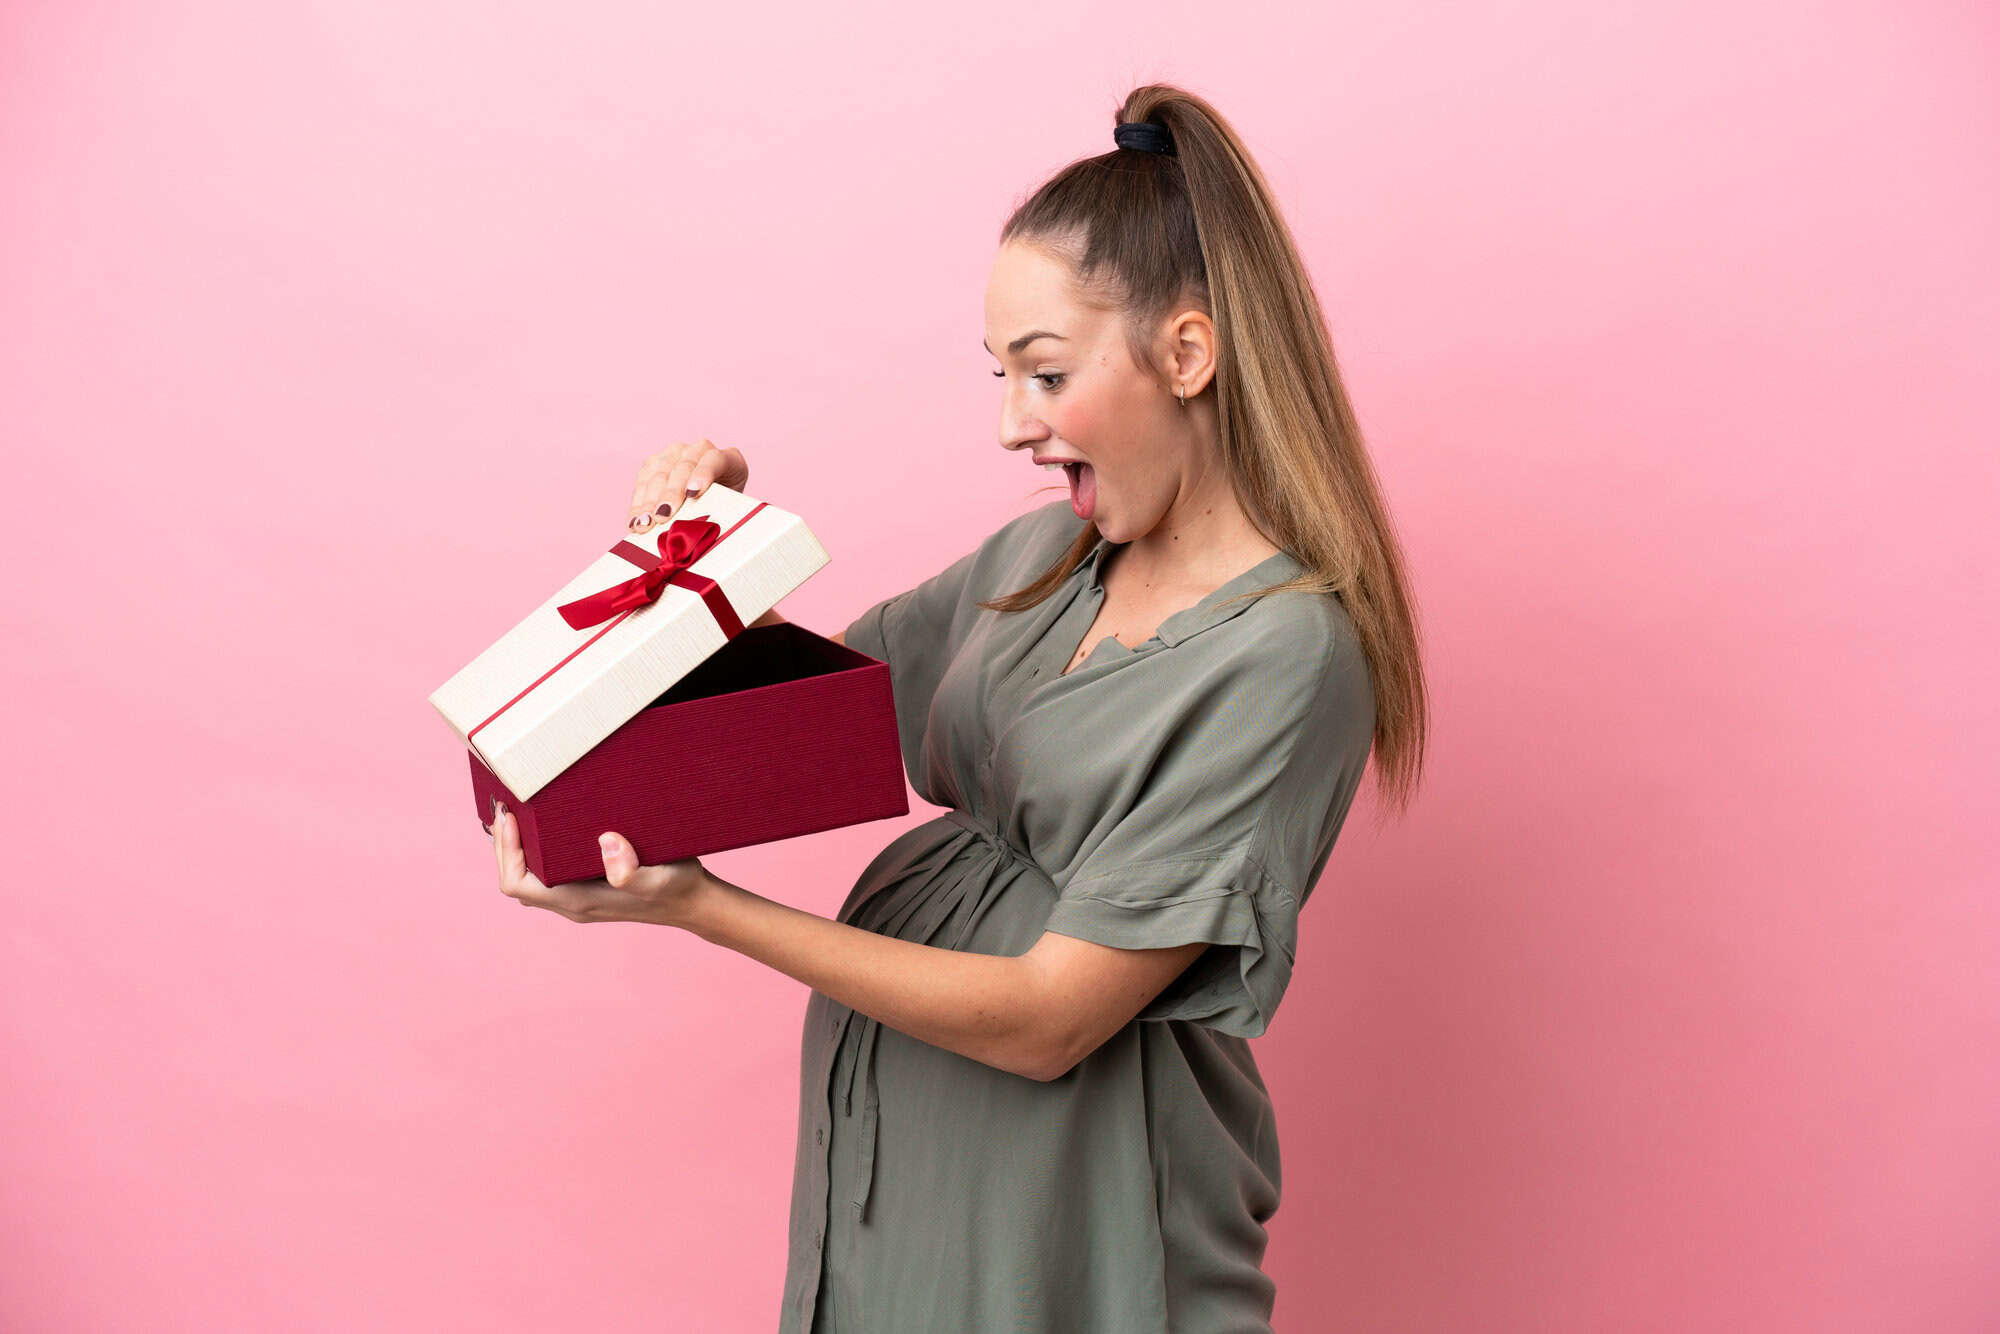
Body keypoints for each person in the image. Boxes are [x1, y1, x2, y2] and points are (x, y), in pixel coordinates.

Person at [491, 82, 1428, 1334]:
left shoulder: (1285, 654)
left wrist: (703, 908)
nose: (1008, 425)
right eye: (999, 375)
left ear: (1187, 353)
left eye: (1042, 375)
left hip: (1078, 1209)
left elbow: (1050, 1022)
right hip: (908, 1170)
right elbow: (815, 731)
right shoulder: (1042, 558)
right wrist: (705, 555)